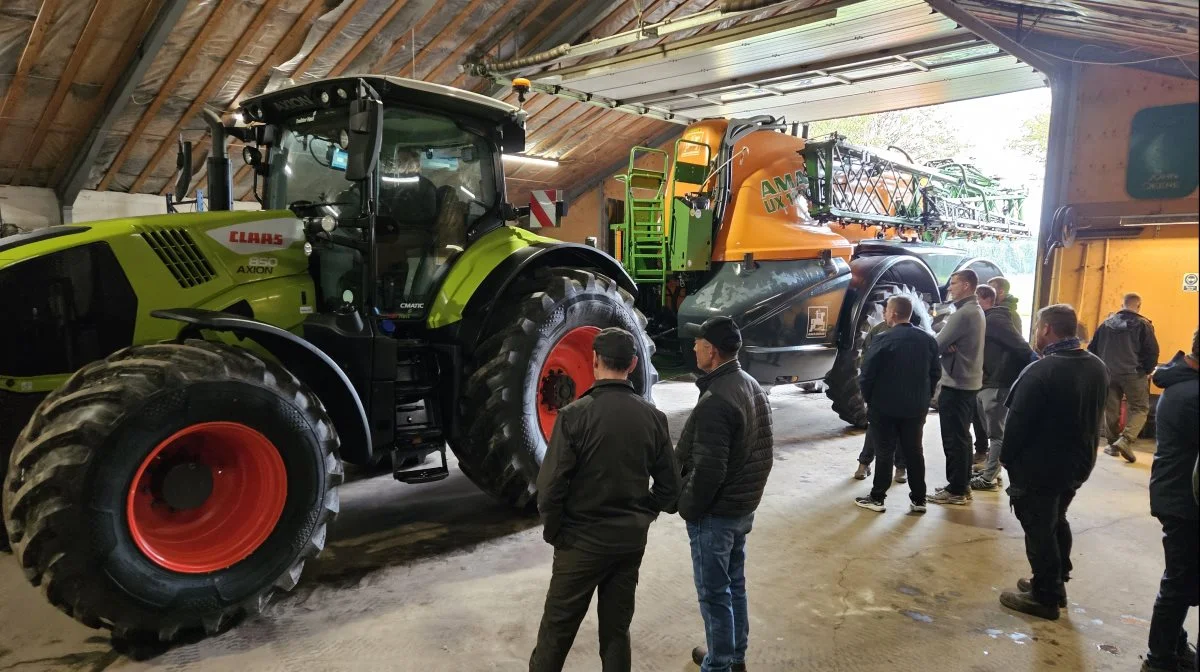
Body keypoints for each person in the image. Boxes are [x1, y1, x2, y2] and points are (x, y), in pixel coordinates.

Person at [530, 328, 681, 672]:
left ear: (595, 361)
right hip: (629, 543)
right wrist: (644, 513)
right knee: (615, 631)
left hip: (580, 544)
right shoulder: (653, 418)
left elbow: (550, 487)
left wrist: (556, 533)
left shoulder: (573, 416)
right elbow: (670, 489)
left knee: (557, 633)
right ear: (633, 364)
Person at [675, 317, 773, 672]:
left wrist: (687, 507)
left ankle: (717, 666)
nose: (694, 348)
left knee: (715, 593)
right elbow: (764, 452)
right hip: (740, 509)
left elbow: (709, 471)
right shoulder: (749, 383)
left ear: (712, 351)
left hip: (717, 514)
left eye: (699, 343)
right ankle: (732, 657)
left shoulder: (718, 399)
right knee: (734, 585)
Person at [998, 304, 1108, 620]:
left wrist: (1007, 461)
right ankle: (1054, 583)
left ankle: (1044, 597)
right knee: (1056, 519)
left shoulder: (1040, 371)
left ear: (1046, 329)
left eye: (1037, 327)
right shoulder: (1096, 366)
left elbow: (1016, 427)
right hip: (1077, 465)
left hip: (1039, 469)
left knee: (1039, 528)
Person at [1141, 330, 1199, 672]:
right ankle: (1159, 659)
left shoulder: (1182, 382)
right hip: (1183, 501)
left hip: (1177, 495)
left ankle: (1172, 646)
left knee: (1182, 577)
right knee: (1179, 582)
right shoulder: (1191, 394)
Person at [853, 295, 940, 513]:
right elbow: (935, 373)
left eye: (885, 311)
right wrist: (924, 397)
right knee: (914, 451)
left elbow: (867, 375)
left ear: (892, 313)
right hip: (916, 407)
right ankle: (919, 500)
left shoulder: (882, 339)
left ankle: (877, 498)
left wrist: (870, 400)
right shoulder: (928, 340)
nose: (884, 315)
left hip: (885, 407)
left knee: (884, 452)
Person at [971, 284, 1037, 491]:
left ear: (983, 300)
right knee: (993, 432)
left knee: (996, 434)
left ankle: (989, 478)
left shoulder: (996, 319)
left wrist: (1036, 365)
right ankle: (993, 471)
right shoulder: (988, 320)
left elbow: (1020, 345)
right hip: (988, 382)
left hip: (997, 384)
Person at [929, 270, 986, 505]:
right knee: (961, 437)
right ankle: (960, 486)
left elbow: (936, 345)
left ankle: (957, 490)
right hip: (968, 383)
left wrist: (943, 344)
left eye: (953, 284)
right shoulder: (975, 310)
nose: (949, 288)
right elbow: (944, 343)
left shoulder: (962, 314)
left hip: (957, 384)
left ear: (965, 285)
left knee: (954, 439)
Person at [1088, 292, 1160, 463]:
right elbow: (1152, 351)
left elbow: (1092, 349)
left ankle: (1113, 445)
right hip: (1133, 374)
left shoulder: (1106, 324)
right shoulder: (1144, 325)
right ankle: (1125, 440)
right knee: (1140, 408)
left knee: (1110, 409)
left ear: (1122, 305)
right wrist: (1147, 370)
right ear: (1139, 306)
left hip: (1108, 373)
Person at [853, 319, 908, 483]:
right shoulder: (878, 331)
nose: (889, 315)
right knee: (874, 429)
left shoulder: (914, 334)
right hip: (881, 389)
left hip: (904, 390)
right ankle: (864, 463)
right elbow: (865, 357)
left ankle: (900, 467)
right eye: (886, 311)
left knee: (902, 430)